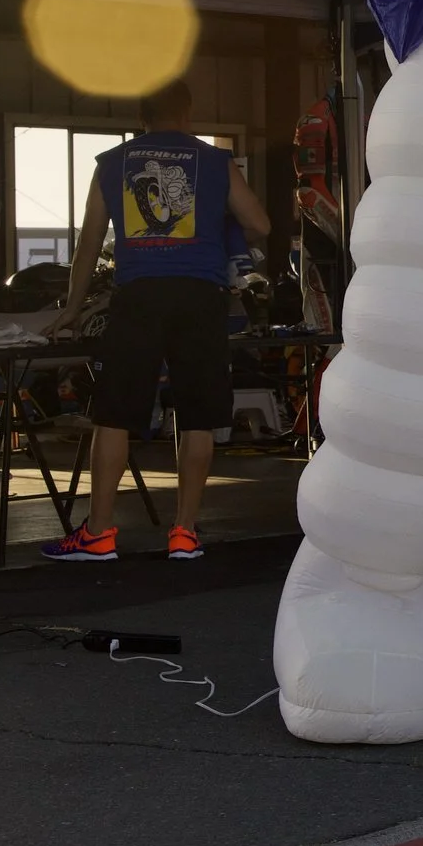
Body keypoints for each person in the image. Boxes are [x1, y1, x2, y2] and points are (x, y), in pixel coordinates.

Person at [42, 80, 271, 562]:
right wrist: (224, 226)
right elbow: (262, 224)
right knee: (198, 417)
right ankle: (184, 533)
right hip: (201, 297)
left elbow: (88, 244)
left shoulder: (112, 164)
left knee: (115, 416)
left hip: (139, 297)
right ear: (188, 115)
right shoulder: (214, 161)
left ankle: (100, 533)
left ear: (141, 119)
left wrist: (71, 306)